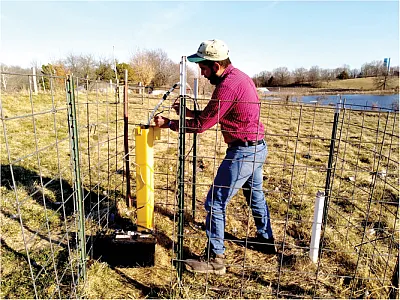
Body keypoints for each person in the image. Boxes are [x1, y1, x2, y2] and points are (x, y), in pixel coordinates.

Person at [153, 39, 276, 275]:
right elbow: (214, 114)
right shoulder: (239, 77)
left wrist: (169, 123)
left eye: (204, 67)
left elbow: (201, 126)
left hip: (243, 151)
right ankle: (265, 239)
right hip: (257, 148)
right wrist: (188, 113)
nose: (201, 71)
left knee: (215, 202)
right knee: (255, 194)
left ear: (217, 65)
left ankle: (215, 260)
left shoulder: (227, 86)